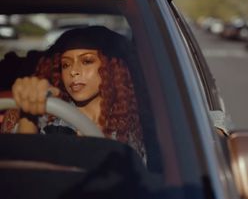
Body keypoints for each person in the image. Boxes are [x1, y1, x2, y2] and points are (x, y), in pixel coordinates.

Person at [1, 26, 146, 161]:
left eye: (87, 61)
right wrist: (29, 111)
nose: (73, 71)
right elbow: (24, 172)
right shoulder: (49, 118)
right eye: (66, 64)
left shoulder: (130, 124)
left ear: (111, 68)